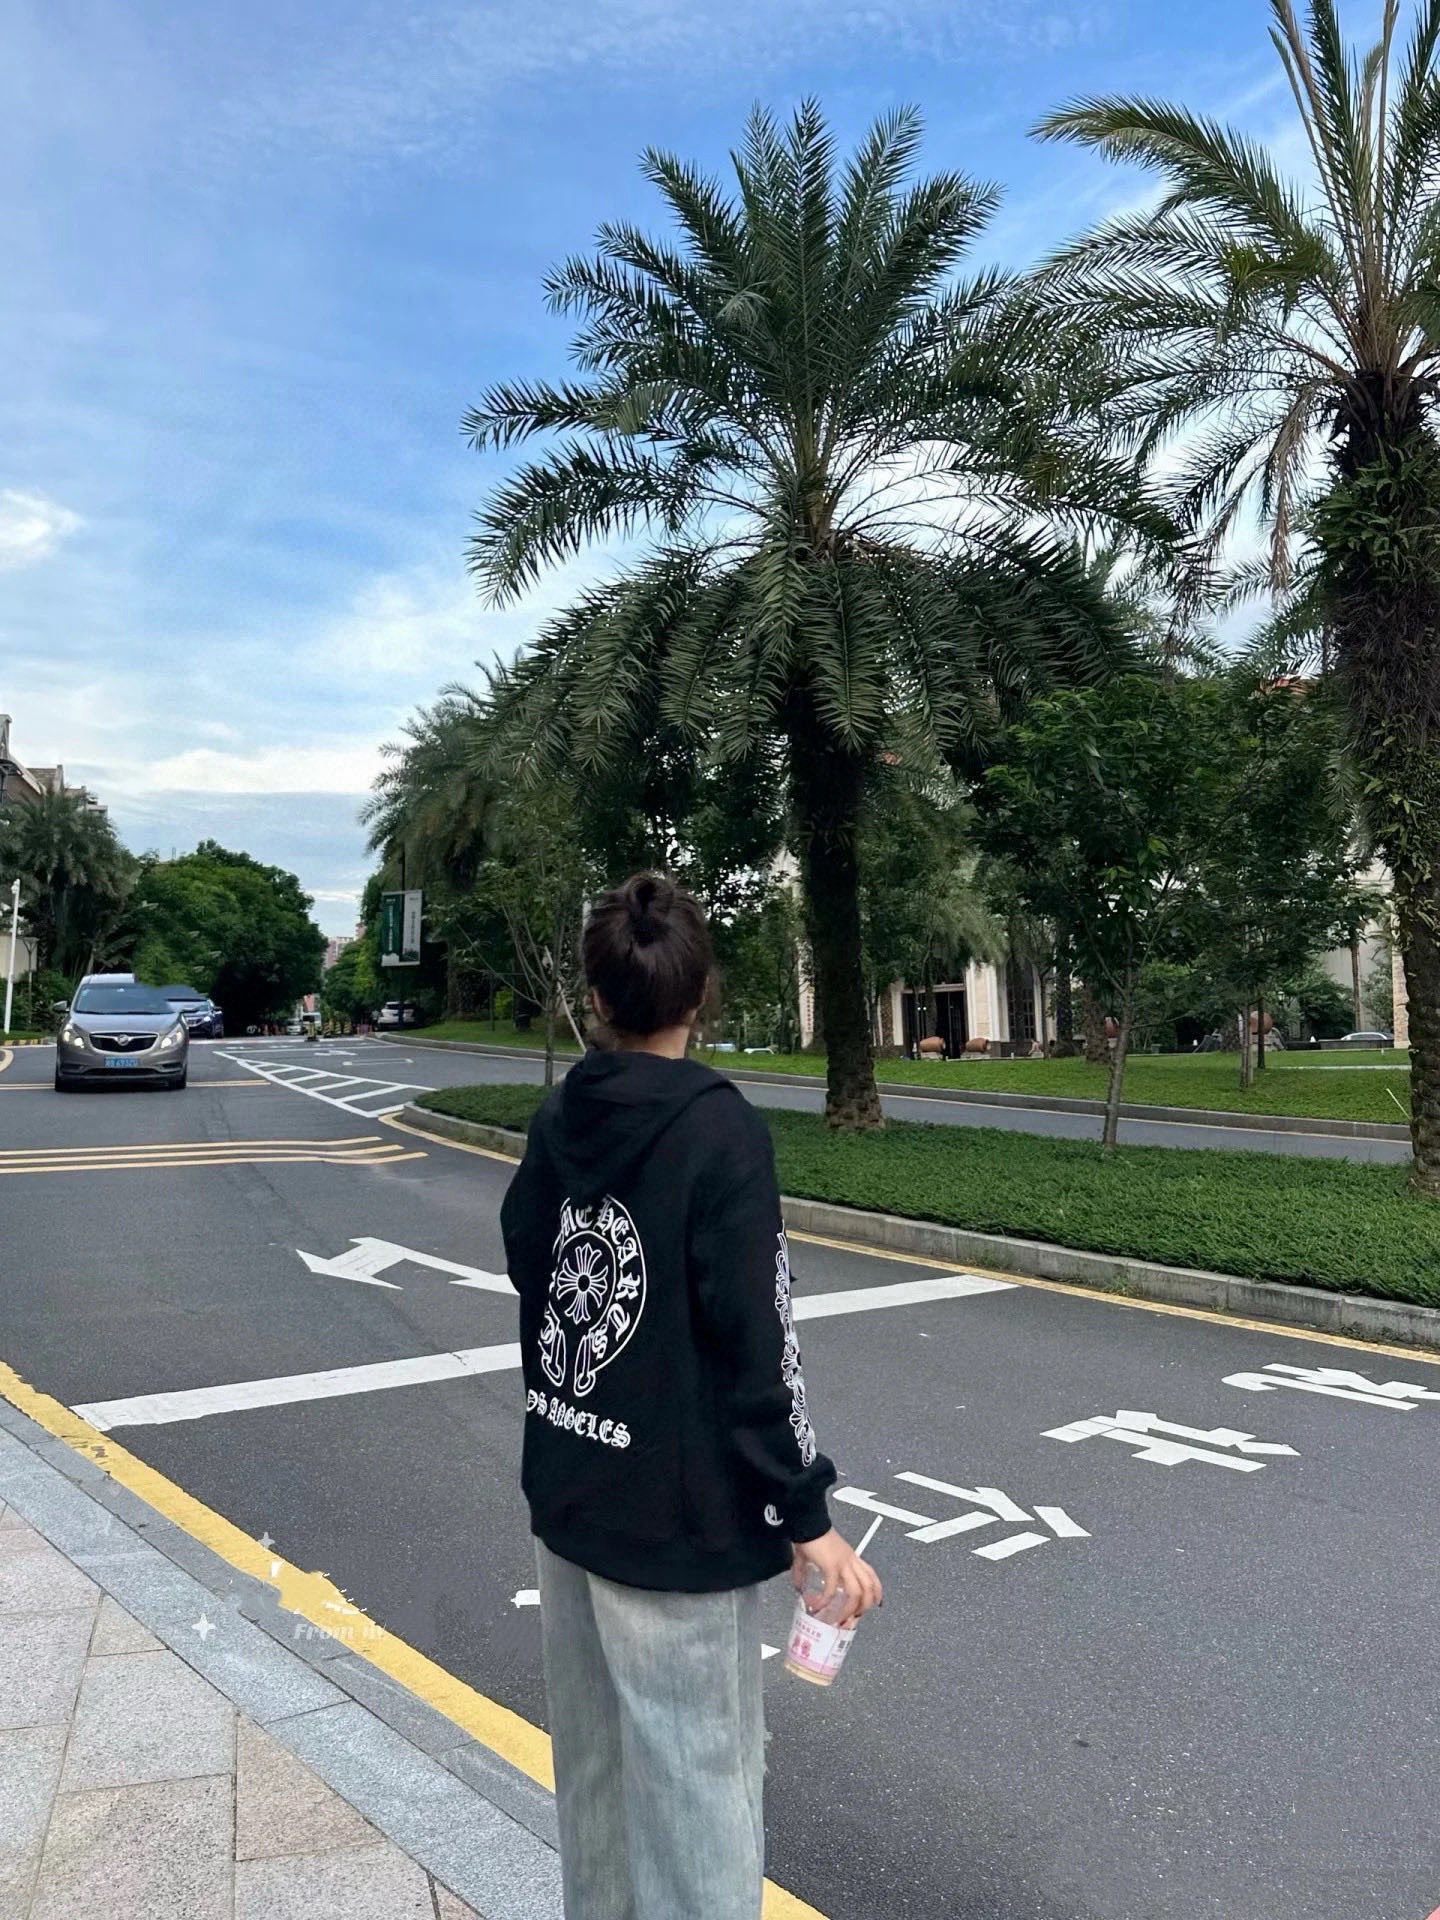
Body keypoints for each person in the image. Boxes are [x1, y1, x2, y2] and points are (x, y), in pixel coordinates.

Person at [501, 871, 882, 1920]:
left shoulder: (561, 1114)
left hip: (569, 1486)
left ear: (595, 999)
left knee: (595, 1777)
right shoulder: (720, 1131)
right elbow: (757, 1340)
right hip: (678, 1522)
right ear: (701, 996)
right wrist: (805, 1513)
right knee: (699, 1791)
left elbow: (533, 1264)